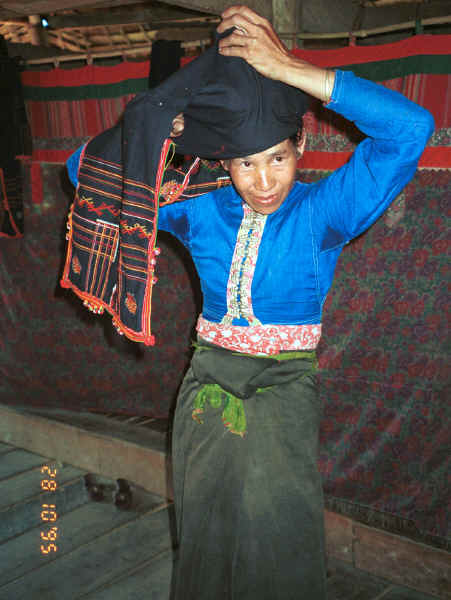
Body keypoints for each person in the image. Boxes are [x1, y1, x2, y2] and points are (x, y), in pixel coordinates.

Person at [65, 5, 433, 599]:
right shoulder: (202, 207)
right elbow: (84, 172)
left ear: (301, 147)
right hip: (206, 382)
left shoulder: (322, 213)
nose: (263, 181)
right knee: (206, 532)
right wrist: (163, 128)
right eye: (244, 164)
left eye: (277, 159)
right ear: (224, 163)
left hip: (283, 389)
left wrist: (292, 69)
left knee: (279, 540)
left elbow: (411, 128)